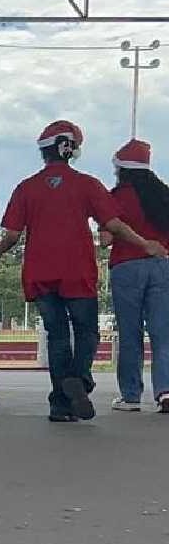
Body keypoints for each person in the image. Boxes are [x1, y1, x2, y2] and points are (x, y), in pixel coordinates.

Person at [0, 121, 167, 422]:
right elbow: (113, 225)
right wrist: (145, 243)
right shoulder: (88, 185)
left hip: (40, 272)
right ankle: (79, 379)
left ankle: (60, 405)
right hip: (77, 271)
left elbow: (13, 235)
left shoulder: (26, 187)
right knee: (87, 332)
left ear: (44, 152)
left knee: (57, 336)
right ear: (71, 151)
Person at [101, 139, 169, 413]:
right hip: (161, 265)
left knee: (130, 332)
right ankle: (165, 391)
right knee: (162, 333)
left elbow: (106, 239)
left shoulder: (115, 197)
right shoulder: (163, 195)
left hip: (127, 266)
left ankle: (131, 396)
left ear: (122, 169)